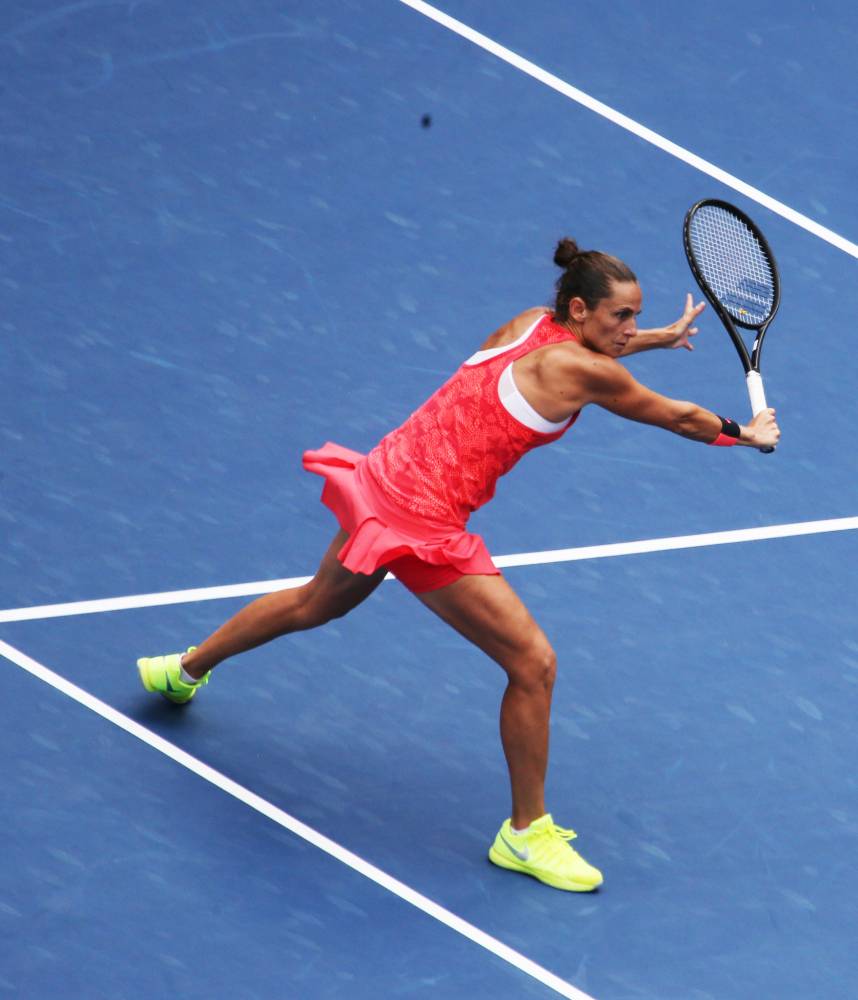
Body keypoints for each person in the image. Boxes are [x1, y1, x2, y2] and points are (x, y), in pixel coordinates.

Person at [137, 238, 780, 893]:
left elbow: (586, 357)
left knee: (315, 603)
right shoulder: (592, 372)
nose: (631, 329)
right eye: (621, 318)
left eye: (636, 318)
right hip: (422, 523)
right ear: (582, 310)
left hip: (386, 477)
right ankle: (525, 834)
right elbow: (678, 416)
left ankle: (184, 670)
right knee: (533, 664)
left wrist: (654, 341)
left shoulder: (530, 322)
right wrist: (744, 433)